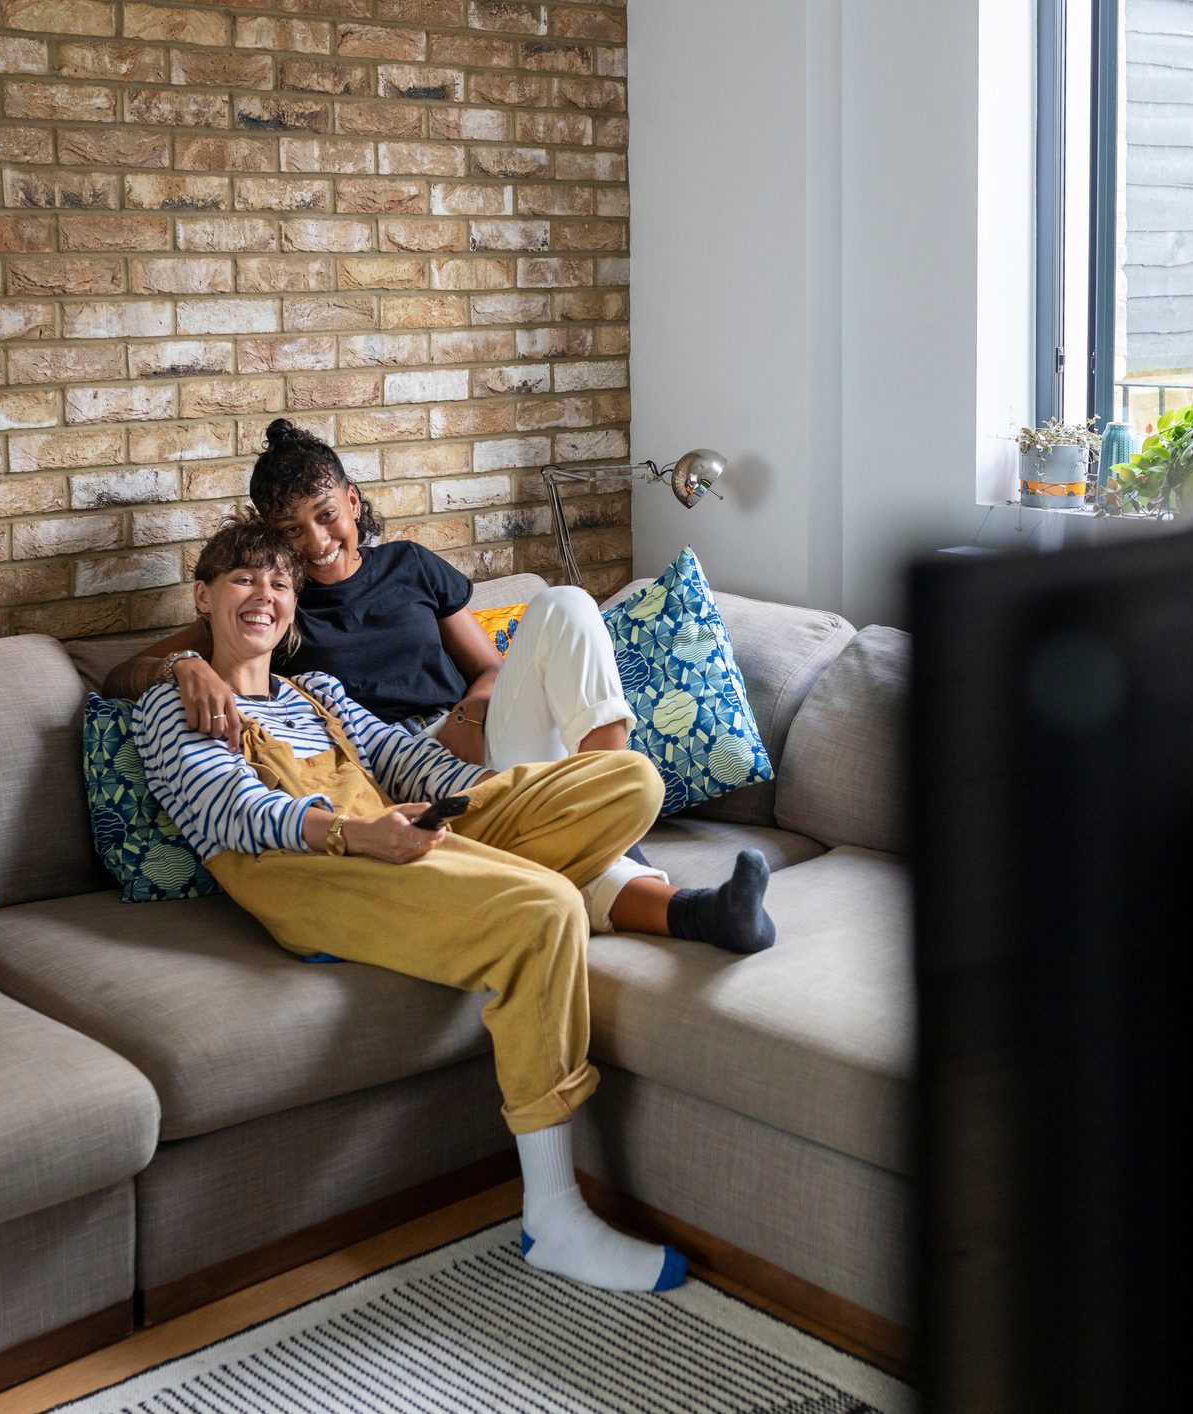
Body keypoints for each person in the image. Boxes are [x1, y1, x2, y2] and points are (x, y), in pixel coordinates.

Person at [136, 515, 689, 1293]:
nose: (264, 594)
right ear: (203, 595)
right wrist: (362, 836)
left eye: (279, 582)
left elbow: (414, 763)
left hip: (396, 840)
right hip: (310, 877)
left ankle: (491, 879)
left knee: (629, 779)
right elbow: (233, 814)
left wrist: (502, 798)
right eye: (243, 578)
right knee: (547, 909)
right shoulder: (173, 706)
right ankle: (555, 1216)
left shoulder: (319, 693)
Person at [108, 417, 773, 954]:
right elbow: (124, 673)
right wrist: (183, 666)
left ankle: (611, 817)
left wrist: (473, 710)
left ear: (351, 502)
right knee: (535, 862)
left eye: (324, 515)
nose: (313, 542)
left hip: (478, 736)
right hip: (399, 775)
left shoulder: (411, 566)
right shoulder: (274, 604)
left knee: (566, 603)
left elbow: (488, 664)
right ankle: (699, 914)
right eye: (290, 532)